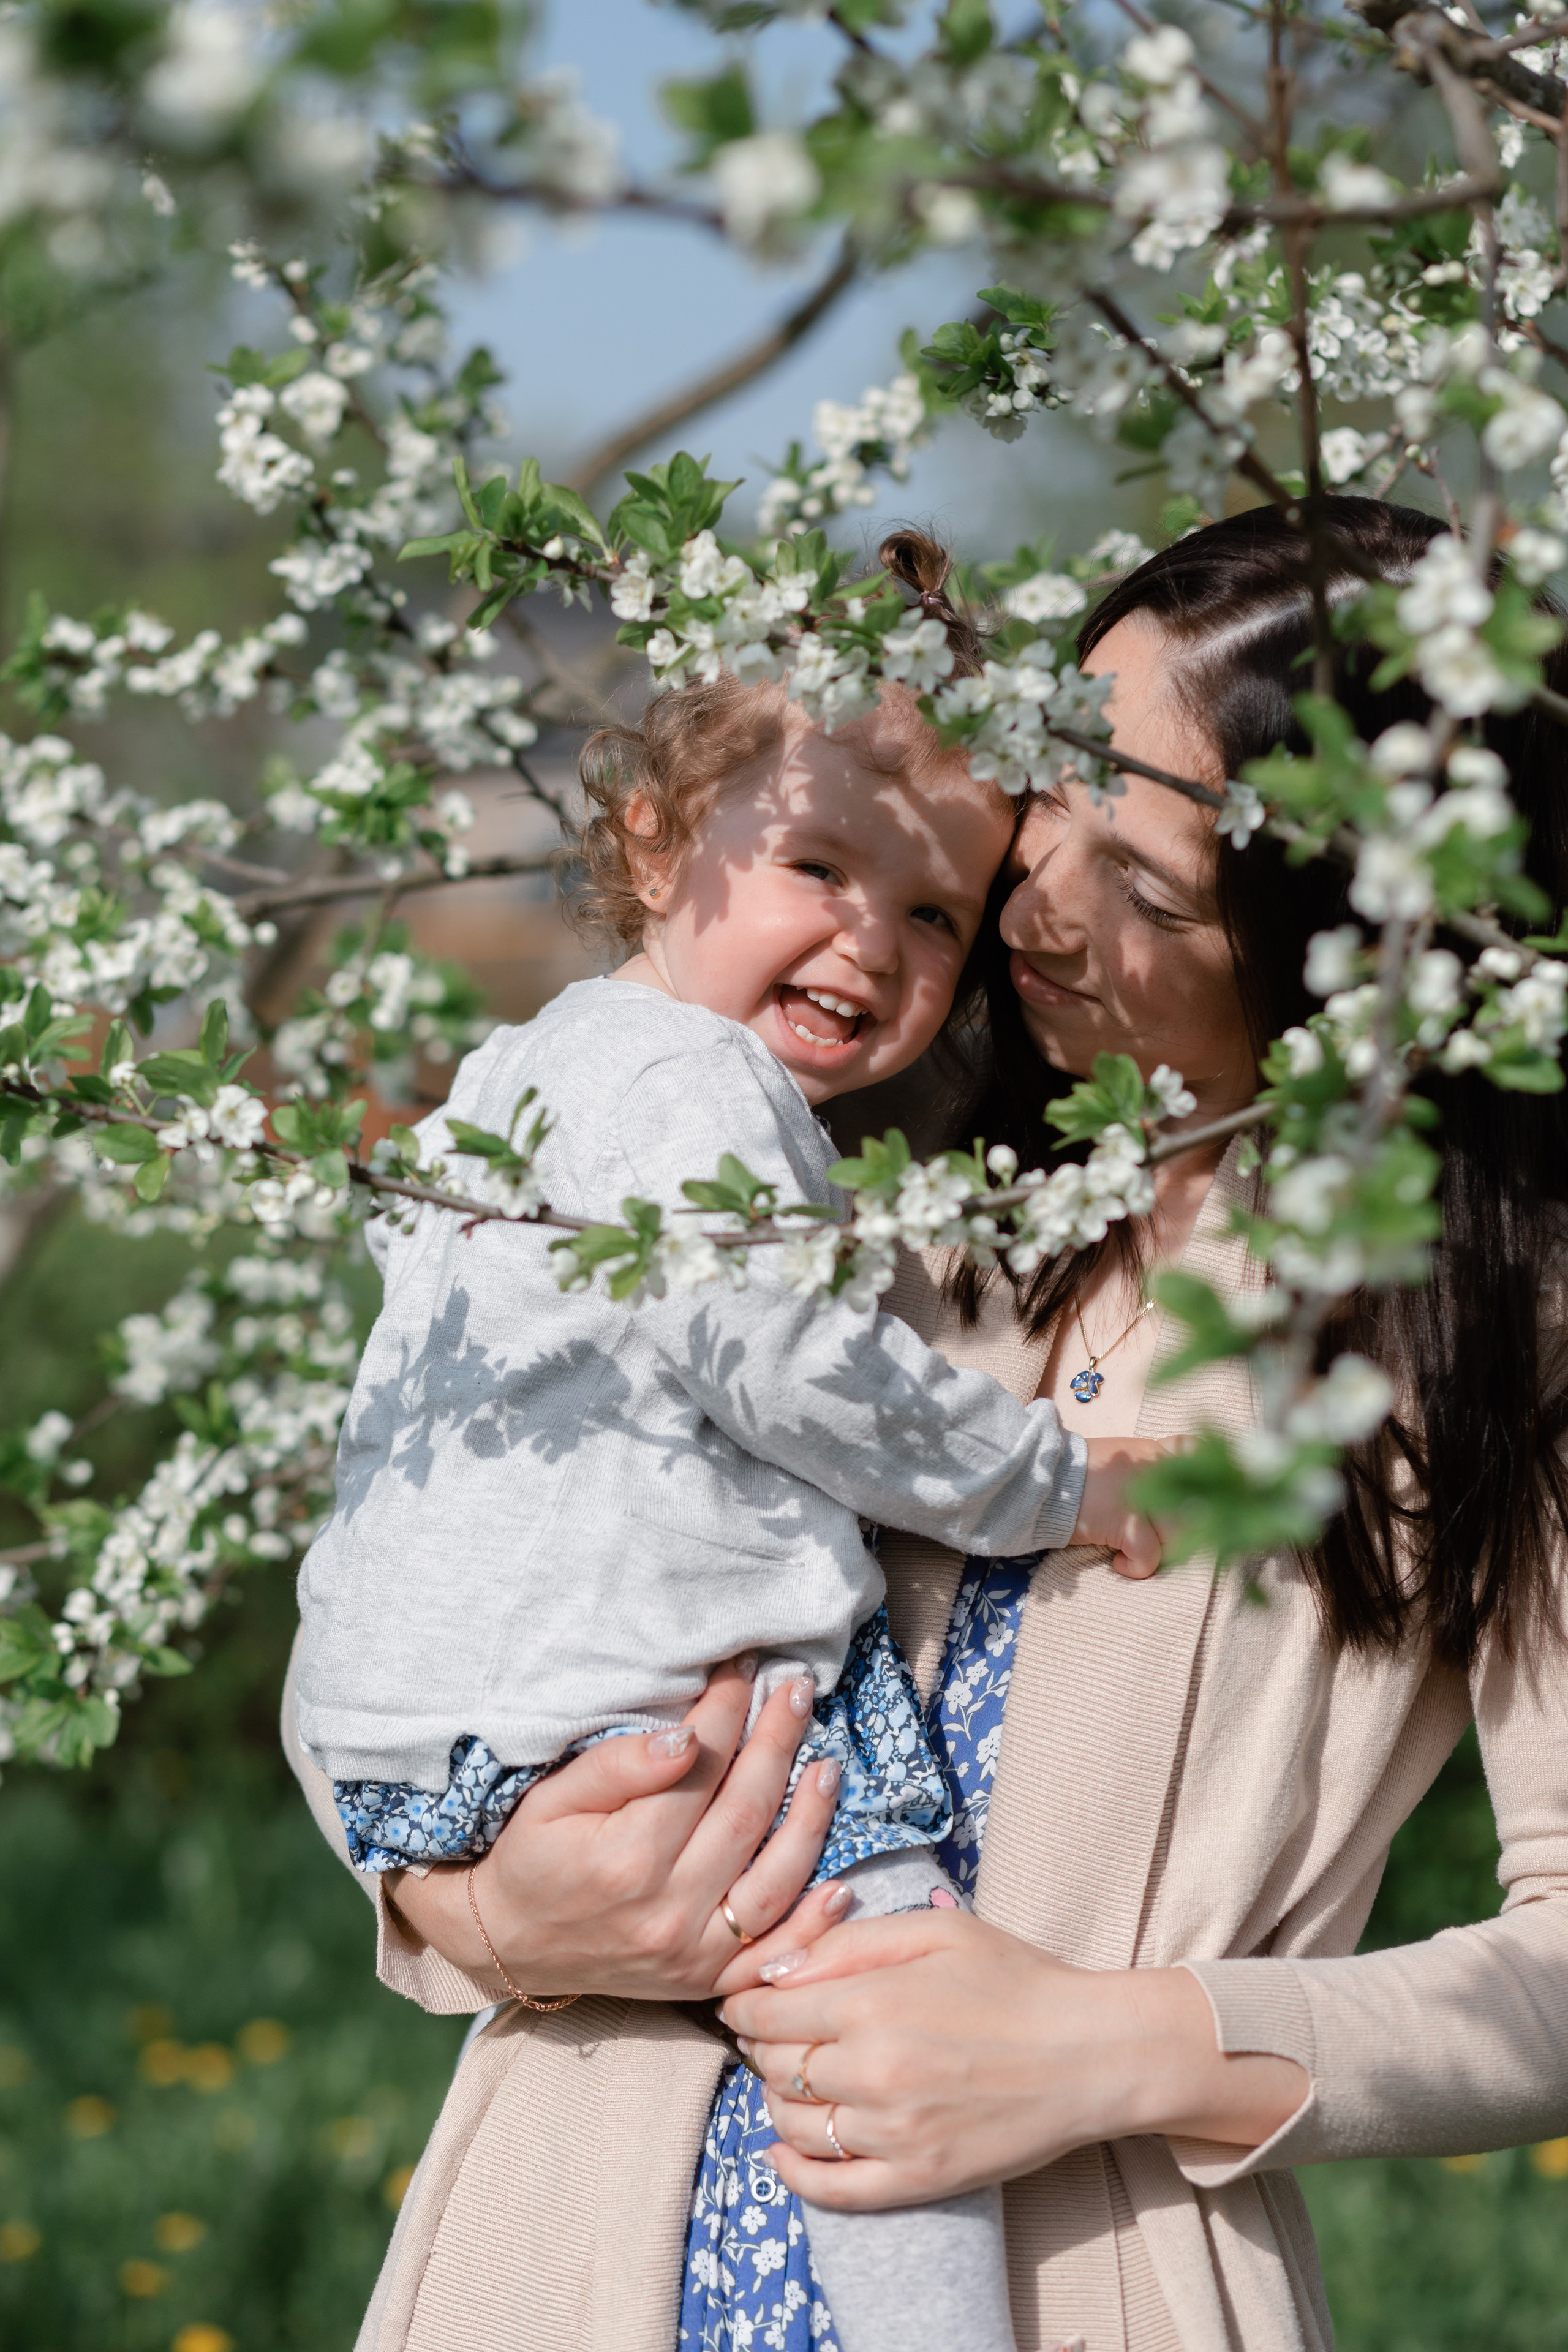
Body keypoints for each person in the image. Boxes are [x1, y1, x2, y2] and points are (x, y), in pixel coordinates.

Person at [282, 496, 1568, 2352]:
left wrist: (1112, 2047)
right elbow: (424, 1567)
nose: (1035, 911)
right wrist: (475, 1906)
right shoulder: (831, 1203)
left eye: (1152, 890)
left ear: (1353, 940)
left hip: (1075, 2285)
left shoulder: (1487, 1341)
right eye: (1049, 811)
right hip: (552, 2249)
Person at [291, 544, 1173, 2352]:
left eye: (935, 914)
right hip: (631, 1708)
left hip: (429, 1739)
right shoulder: (694, 1092)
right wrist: (1056, 1485)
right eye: (819, 866)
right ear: (651, 845)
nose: (874, 940)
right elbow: (799, 1369)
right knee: (887, 1990)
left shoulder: (517, 1082)